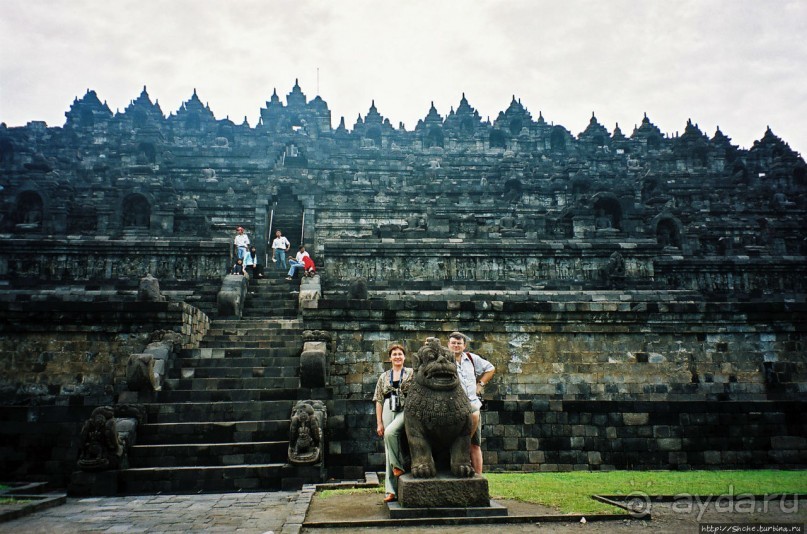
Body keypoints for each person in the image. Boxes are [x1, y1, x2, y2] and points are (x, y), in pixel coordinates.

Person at [448, 331, 495, 474]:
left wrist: (480, 384)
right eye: (453, 343)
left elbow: (490, 368)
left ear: (464, 345)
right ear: (448, 345)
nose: (456, 346)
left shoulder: (471, 358)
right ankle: (459, 451)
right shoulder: (444, 360)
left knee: (475, 444)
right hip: (454, 406)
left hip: (472, 402)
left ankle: (479, 477)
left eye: (459, 343)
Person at [372, 344, 413, 503]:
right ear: (390, 358)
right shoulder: (384, 377)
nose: (397, 357)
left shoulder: (411, 373)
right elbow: (379, 400)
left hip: (405, 409)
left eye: (400, 354)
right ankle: (391, 491)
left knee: (391, 433)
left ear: (404, 357)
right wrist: (379, 423)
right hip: (388, 408)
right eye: (394, 354)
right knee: (389, 449)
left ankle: (398, 466)